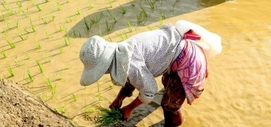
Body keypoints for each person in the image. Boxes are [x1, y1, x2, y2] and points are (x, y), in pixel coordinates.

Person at [79, 21, 221, 126]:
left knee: (169, 105)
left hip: (189, 61)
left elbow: (149, 90)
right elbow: (132, 78)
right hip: (176, 51)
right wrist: (119, 99)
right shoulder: (123, 51)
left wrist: (129, 109)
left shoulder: (131, 64)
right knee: (168, 85)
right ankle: (175, 97)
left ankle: (175, 123)